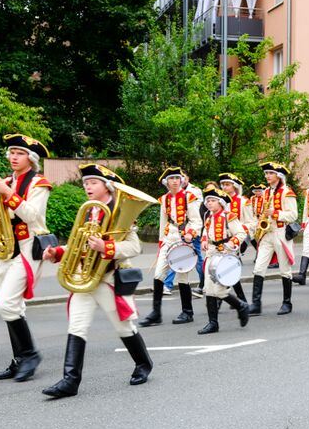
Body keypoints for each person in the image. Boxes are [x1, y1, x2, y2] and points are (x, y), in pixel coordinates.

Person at [41, 165, 153, 398]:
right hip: (85, 277)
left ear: (106, 186)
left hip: (108, 278)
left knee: (123, 327)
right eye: (85, 183)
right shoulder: (90, 211)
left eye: (93, 183)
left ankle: (143, 364)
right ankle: (70, 381)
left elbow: (135, 247)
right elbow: (78, 243)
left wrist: (107, 247)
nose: (87, 187)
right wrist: (59, 253)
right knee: (77, 326)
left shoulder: (120, 212)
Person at [0, 134, 52, 382]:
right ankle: (20, 359)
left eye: (20, 153)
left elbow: (32, 216)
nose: (14, 156)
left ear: (30, 158)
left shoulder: (39, 184)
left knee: (7, 305)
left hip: (27, 249)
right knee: (11, 307)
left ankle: (30, 355)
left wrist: (7, 193)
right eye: (12, 152)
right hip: (4, 249)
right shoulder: (5, 180)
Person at [138, 167, 202, 327]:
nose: (175, 181)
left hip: (183, 238)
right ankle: (156, 313)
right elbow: (163, 222)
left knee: (182, 276)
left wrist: (190, 233)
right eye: (171, 178)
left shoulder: (190, 197)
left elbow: (197, 220)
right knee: (159, 273)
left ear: (181, 180)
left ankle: (187, 312)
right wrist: (161, 243)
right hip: (169, 237)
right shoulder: (164, 199)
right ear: (166, 182)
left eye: (177, 178)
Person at [197, 187, 250, 334]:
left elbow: (241, 233)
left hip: (224, 254)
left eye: (213, 200)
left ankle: (241, 306)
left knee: (219, 291)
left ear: (220, 202)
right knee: (208, 289)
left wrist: (232, 243)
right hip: (211, 254)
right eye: (208, 200)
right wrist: (203, 240)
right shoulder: (208, 217)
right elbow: (205, 232)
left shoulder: (229, 216)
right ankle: (213, 323)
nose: (209, 203)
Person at [249, 162, 298, 316]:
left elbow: (293, 215)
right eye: (266, 174)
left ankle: (287, 303)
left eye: (270, 173)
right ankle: (256, 304)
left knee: (284, 269)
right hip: (267, 233)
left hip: (281, 232)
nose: (267, 176)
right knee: (258, 268)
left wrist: (275, 213)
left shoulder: (286, 192)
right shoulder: (266, 192)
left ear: (278, 175)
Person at [219, 172, 256, 303]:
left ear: (234, 186)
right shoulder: (220, 201)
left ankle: (226, 300)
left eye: (227, 184)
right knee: (227, 269)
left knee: (226, 268)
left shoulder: (243, 201)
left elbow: (251, 223)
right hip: (222, 239)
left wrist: (240, 233)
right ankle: (241, 300)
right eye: (223, 184)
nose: (224, 187)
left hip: (237, 240)